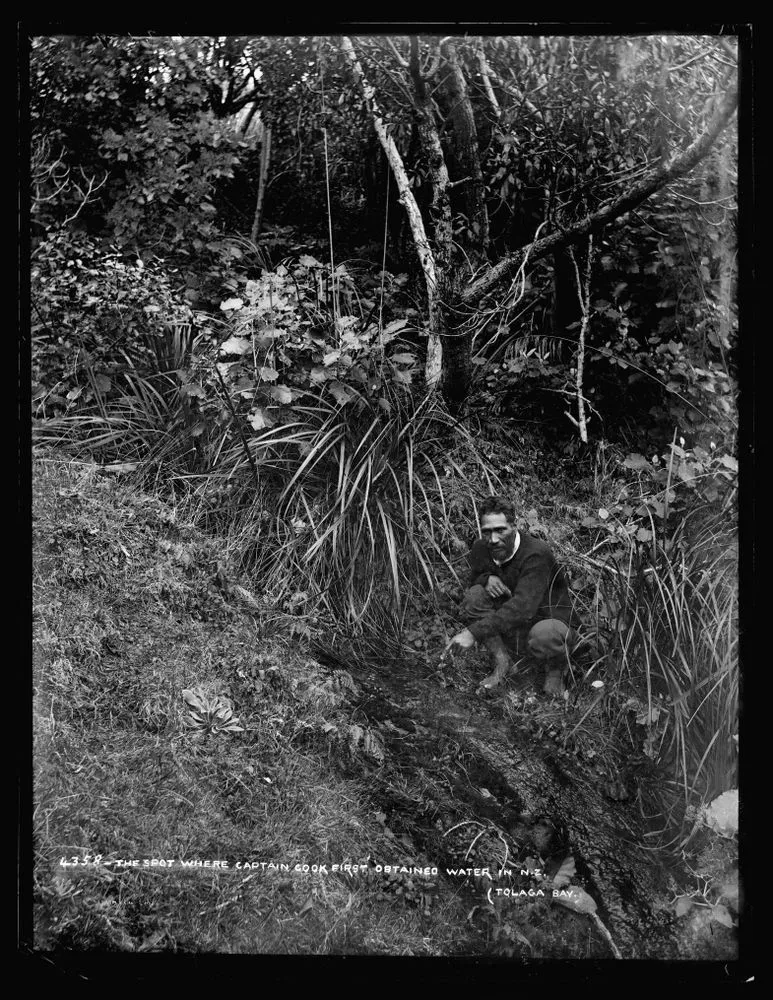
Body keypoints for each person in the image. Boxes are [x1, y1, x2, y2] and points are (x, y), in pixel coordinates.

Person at [445, 495, 580, 696]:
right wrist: (486, 579)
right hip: (519, 631)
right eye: (487, 532)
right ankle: (503, 662)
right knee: (474, 596)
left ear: (514, 526)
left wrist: (473, 632)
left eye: (501, 530)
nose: (493, 539)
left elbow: (523, 608)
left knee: (545, 634)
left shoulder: (536, 554)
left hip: (552, 627)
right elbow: (473, 579)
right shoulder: (481, 548)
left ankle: (556, 671)